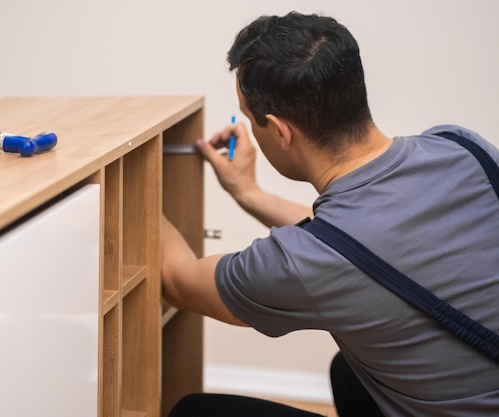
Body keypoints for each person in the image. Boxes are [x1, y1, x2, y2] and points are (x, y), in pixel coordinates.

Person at [161, 11, 499, 417]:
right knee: (349, 372)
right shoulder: (464, 148)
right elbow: (364, 246)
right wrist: (249, 193)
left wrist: (132, 192)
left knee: (195, 412)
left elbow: (177, 281)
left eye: (251, 120)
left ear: (280, 131)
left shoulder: (304, 263)